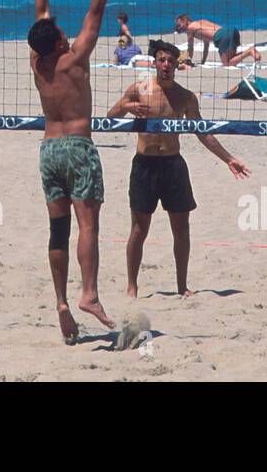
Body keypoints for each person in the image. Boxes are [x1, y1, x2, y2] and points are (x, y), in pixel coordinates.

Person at [25, 0, 122, 342]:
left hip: (48, 150)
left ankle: (61, 301)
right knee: (88, 225)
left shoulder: (37, 61)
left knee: (57, 229)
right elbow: (96, 10)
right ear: (61, 40)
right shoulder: (75, 57)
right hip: (79, 147)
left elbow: (42, 14)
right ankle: (89, 294)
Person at [107, 40, 250, 298]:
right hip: (144, 165)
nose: (165, 65)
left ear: (177, 65)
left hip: (173, 165)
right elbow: (109, 117)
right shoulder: (139, 88)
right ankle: (132, 285)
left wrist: (228, 158)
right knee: (139, 229)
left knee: (181, 227)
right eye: (161, 60)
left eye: (170, 61)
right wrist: (128, 107)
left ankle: (182, 285)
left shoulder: (185, 97)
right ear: (154, 63)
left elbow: (202, 132)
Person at [174, 14, 260, 66]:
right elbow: (206, 45)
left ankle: (249, 51)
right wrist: (203, 61)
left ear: (185, 20)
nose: (178, 28)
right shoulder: (201, 22)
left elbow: (190, 48)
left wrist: (188, 61)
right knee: (232, 58)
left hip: (221, 36)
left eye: (179, 25)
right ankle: (250, 52)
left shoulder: (190, 28)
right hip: (231, 30)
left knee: (227, 63)